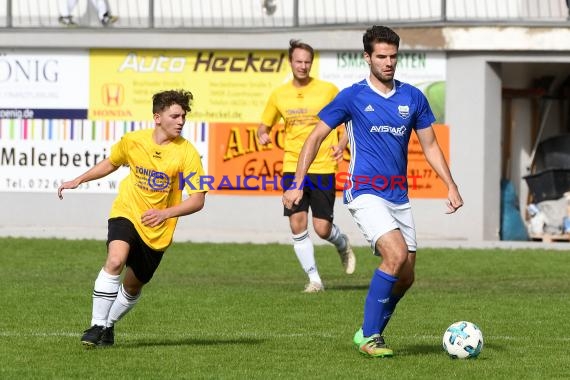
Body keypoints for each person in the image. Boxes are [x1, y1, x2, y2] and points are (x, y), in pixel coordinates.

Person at [283, 25, 463, 357]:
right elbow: (314, 138)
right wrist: (296, 183)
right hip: (364, 191)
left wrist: (450, 185)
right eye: (381, 56)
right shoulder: (352, 96)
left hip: (399, 196)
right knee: (394, 256)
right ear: (367, 57)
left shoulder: (413, 97)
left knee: (406, 275)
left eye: (393, 56)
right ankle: (369, 336)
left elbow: (431, 146)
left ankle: (370, 330)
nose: (388, 62)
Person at [57, 89, 206, 348]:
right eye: (175, 115)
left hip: (158, 230)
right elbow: (112, 162)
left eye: (183, 116)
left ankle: (107, 325)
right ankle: (95, 325)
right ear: (157, 117)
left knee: (132, 288)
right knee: (115, 260)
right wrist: (79, 179)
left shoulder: (188, 154)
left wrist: (164, 213)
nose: (181, 121)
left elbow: (198, 199)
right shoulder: (133, 141)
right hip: (127, 211)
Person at [258, 39, 356, 293]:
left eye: (307, 62)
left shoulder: (328, 90)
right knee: (297, 223)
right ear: (290, 62)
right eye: (298, 61)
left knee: (322, 228)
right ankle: (315, 280)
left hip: (323, 165)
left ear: (312, 63)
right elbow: (264, 123)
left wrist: (343, 142)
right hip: (293, 165)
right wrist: (262, 133)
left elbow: (349, 119)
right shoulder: (279, 94)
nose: (302, 66)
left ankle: (342, 243)